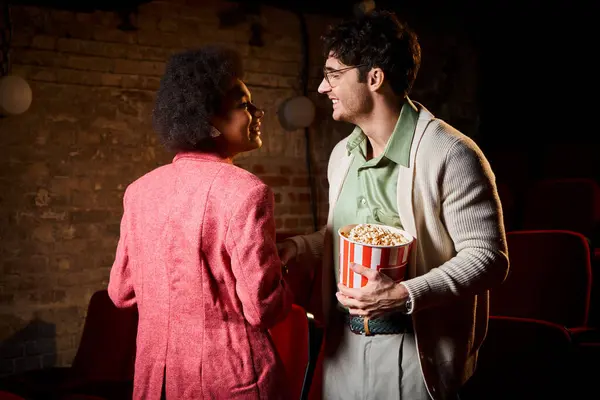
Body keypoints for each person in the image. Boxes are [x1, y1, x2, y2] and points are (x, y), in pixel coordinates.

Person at [278, 10, 509, 400]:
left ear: (374, 77)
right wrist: (302, 248)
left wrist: (404, 295)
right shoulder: (341, 155)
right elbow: (346, 236)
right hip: (343, 352)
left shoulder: (451, 153)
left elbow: (488, 258)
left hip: (417, 354)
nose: (321, 87)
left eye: (333, 74)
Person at [108, 45, 293, 400]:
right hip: (233, 383)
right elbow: (263, 308)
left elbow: (121, 292)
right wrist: (282, 266)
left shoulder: (139, 191)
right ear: (207, 121)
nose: (258, 112)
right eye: (243, 105)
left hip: (157, 384)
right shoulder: (246, 192)